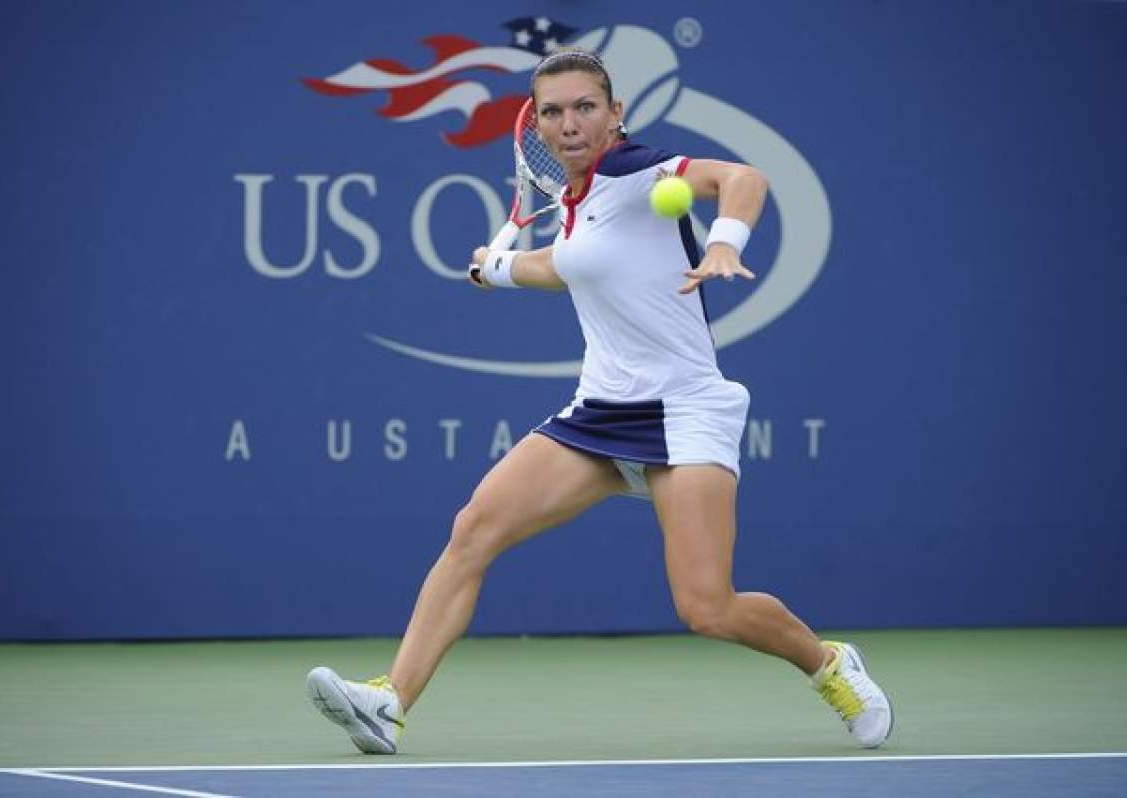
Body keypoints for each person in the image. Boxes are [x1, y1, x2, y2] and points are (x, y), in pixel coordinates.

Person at [306, 47, 893, 754]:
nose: (568, 123)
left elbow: (744, 177)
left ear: (617, 115)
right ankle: (390, 702)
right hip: (600, 414)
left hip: (682, 412)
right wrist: (499, 270)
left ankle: (828, 664)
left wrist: (724, 243)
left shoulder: (637, 170)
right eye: (551, 112)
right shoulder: (579, 204)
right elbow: (575, 266)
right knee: (474, 530)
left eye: (585, 107)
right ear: (538, 126)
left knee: (707, 607)